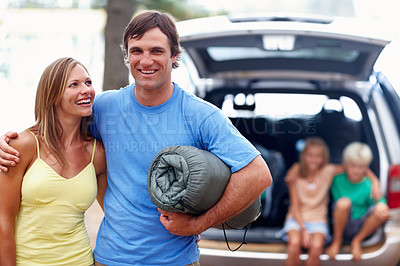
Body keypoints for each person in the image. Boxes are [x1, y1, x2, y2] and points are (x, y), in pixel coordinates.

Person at [0, 11, 272, 265]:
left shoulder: (201, 115)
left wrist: (198, 224)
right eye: (137, 51)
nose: (146, 60)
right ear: (127, 57)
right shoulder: (105, 108)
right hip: (109, 259)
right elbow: (58, 127)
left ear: (174, 56)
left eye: (157, 51)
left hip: (176, 260)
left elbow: (258, 175)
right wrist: (9, 142)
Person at [0, 57, 107, 265]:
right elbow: (3, 222)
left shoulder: (98, 153)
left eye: (88, 82)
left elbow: (117, 213)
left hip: (81, 260)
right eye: (74, 85)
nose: (86, 90)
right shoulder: (22, 146)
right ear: (53, 96)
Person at [282, 137, 380, 266]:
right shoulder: (295, 174)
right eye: (309, 155)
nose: (313, 159)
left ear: (324, 158)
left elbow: (354, 166)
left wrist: (375, 180)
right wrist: (303, 229)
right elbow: (294, 207)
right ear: (303, 156)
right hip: (296, 219)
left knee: (317, 247)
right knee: (294, 244)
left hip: (318, 221)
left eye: (318, 156)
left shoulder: (328, 171)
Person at [326, 142, 390, 261]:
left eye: (361, 167)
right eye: (352, 166)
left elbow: (381, 201)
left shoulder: (369, 184)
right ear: (345, 165)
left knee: (382, 210)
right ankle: (337, 241)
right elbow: (317, 172)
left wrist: (381, 206)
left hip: (362, 226)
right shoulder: (336, 178)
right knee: (343, 203)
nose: (356, 170)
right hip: (341, 225)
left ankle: (357, 241)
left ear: (366, 167)